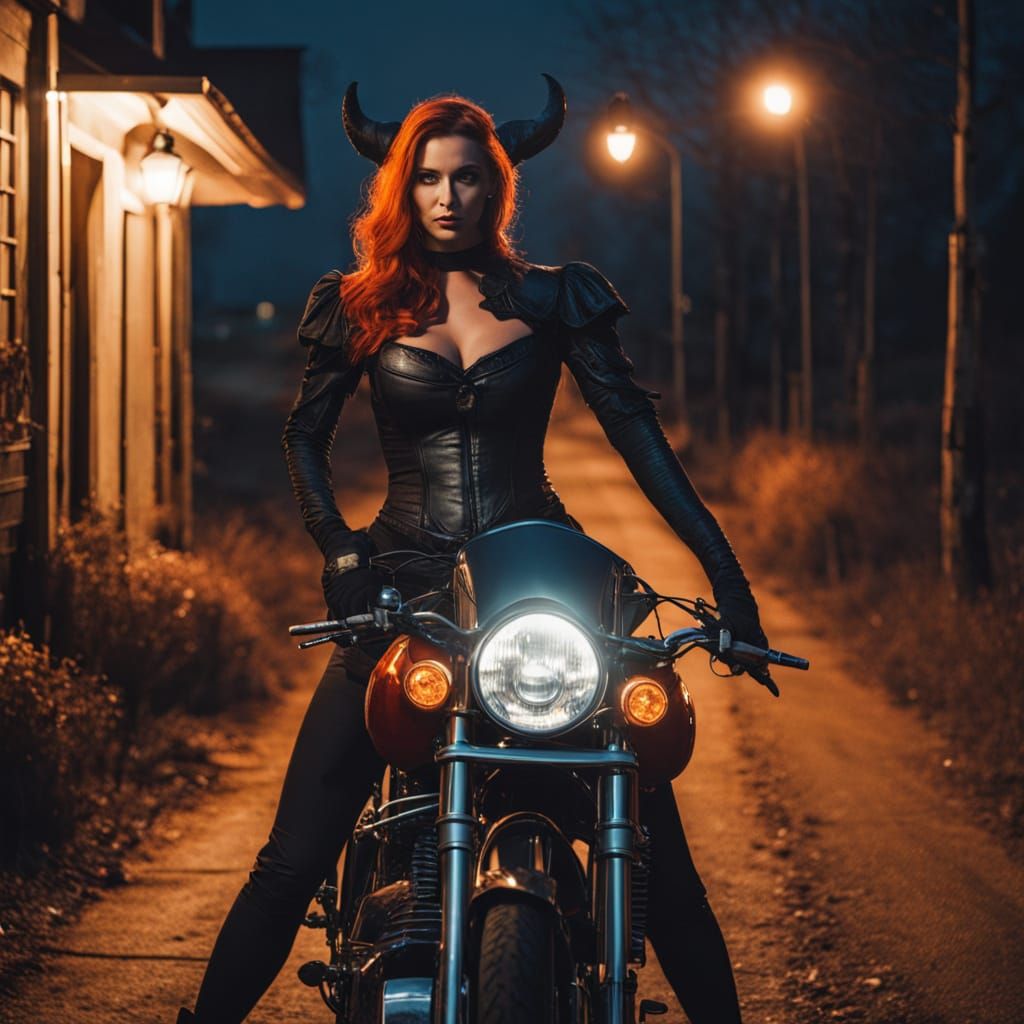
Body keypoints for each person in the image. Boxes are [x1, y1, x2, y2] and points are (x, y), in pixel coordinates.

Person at [178, 76, 768, 1024]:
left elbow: (640, 441)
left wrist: (730, 585)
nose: (447, 197)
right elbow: (304, 438)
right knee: (291, 860)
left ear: (496, 187)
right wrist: (341, 556)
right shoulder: (359, 302)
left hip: (538, 580)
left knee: (665, 871)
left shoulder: (554, 298)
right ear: (402, 189)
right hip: (402, 583)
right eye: (428, 179)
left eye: (465, 178)